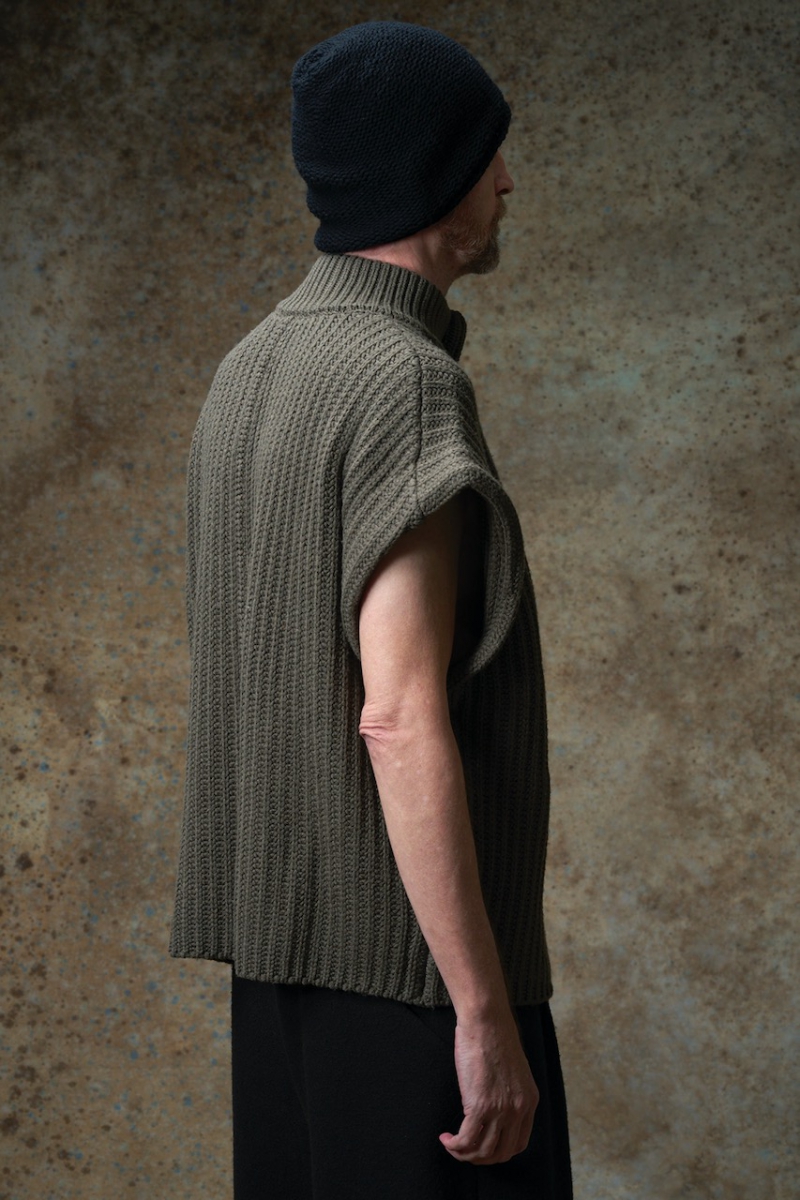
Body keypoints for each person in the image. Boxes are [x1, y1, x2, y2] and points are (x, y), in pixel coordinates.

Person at [169, 20, 572, 1200]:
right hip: (412, 989)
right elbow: (394, 716)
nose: (506, 181)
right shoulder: (404, 384)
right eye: (486, 153)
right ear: (430, 170)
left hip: (282, 990)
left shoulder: (250, 369)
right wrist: (480, 1013)